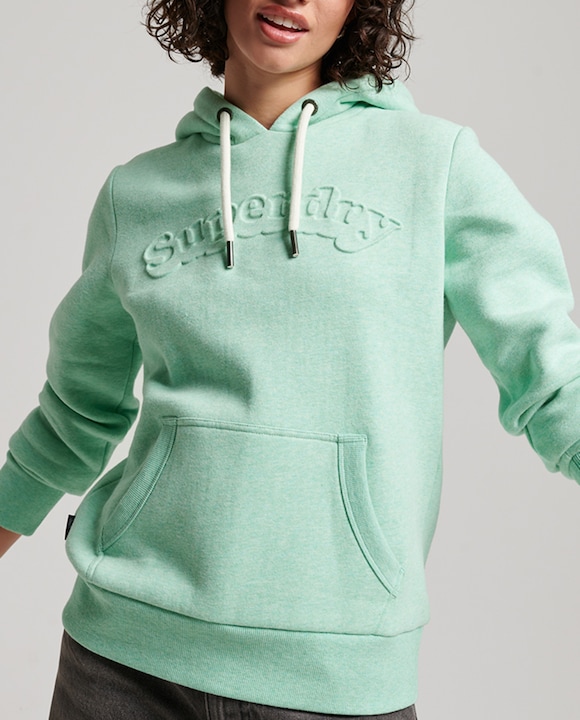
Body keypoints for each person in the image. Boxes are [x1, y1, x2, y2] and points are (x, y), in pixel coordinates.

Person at [1, 0, 579, 718]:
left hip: (334, 672)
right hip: (121, 659)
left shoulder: (437, 166)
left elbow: (552, 377)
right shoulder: (136, 195)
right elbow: (76, 414)